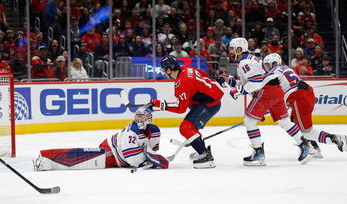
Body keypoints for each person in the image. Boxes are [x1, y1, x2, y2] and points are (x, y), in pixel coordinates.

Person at [226, 38, 313, 166]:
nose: (230, 51)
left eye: (232, 49)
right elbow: (250, 80)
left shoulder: (245, 62)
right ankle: (305, 145)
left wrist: (238, 91)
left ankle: (258, 153)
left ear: (239, 49)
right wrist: (229, 81)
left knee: (249, 121)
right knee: (284, 122)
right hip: (276, 90)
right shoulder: (250, 59)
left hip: (265, 92)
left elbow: (256, 82)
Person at [263, 53, 347, 157]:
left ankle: (335, 139)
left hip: (299, 98)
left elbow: (270, 92)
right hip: (305, 93)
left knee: (306, 131)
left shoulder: (273, 73)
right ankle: (314, 149)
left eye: (268, 64)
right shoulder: (285, 68)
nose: (266, 67)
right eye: (265, 65)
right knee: (296, 124)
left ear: (275, 63)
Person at [33, 107, 169, 171]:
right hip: (112, 151)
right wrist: (148, 162)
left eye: (143, 117)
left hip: (122, 156)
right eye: (138, 116)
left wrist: (154, 159)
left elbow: (152, 151)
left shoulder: (155, 131)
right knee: (84, 158)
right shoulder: (131, 133)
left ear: (150, 118)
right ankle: (46, 158)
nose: (139, 119)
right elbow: (133, 160)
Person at [148, 56, 224, 169]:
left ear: (169, 69)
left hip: (210, 104)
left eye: (165, 70)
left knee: (186, 128)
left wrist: (160, 105)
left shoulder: (181, 83)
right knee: (191, 126)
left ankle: (205, 155)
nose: (164, 73)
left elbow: (180, 109)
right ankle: (200, 149)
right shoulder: (185, 68)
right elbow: (203, 73)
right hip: (209, 99)